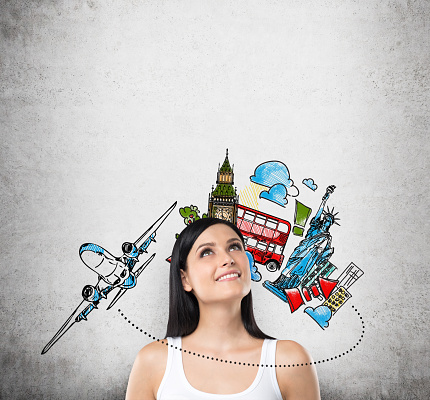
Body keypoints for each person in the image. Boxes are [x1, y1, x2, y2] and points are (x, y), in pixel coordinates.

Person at [126, 218, 320, 399]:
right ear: (185, 279)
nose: (228, 258)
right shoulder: (152, 361)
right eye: (207, 252)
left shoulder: (290, 361)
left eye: (235, 247)